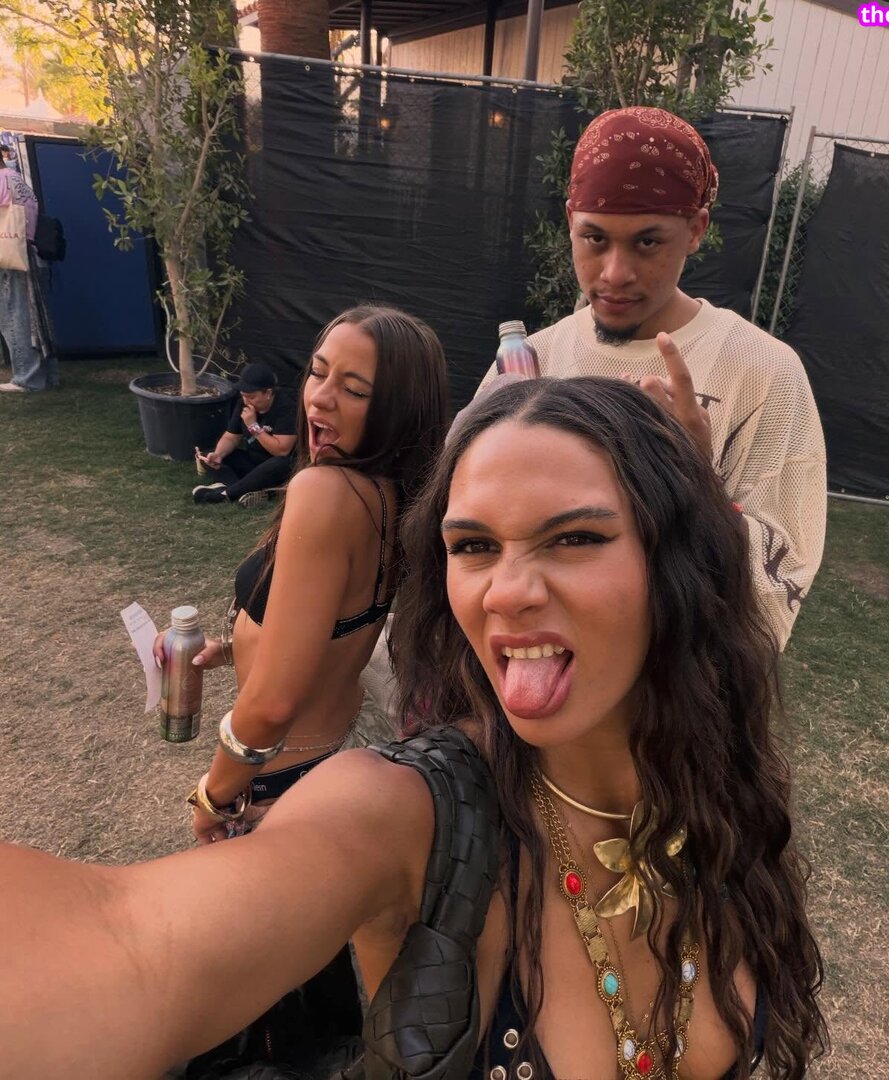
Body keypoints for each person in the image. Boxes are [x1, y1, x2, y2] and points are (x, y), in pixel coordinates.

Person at [1, 377, 826, 1079]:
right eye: (474, 546)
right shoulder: (407, 815)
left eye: (575, 537)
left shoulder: (724, 784)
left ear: (681, 561)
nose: (506, 592)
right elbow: (128, 946)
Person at [163, 304, 448, 1071]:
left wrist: (214, 794)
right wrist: (237, 645)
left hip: (275, 777)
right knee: (312, 985)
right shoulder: (392, 496)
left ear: (396, 408)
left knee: (252, 1010)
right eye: (319, 374)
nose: (319, 398)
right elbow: (326, 629)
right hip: (324, 765)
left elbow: (273, 703)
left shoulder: (327, 494)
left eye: (354, 388)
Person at [477, 106, 826, 651]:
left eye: (647, 243)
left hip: (676, 679)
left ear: (696, 230)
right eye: (595, 239)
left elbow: (783, 574)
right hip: (538, 661)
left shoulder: (761, 371)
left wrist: (696, 479)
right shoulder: (535, 359)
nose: (615, 273)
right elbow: (469, 526)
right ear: (570, 222)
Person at [193, 361, 298, 506]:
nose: (247, 401)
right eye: (243, 396)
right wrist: (218, 454)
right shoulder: (243, 403)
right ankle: (249, 489)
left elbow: (281, 451)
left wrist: (253, 427)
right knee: (209, 454)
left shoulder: (287, 408)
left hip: (277, 467)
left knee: (282, 463)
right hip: (253, 461)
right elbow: (231, 437)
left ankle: (226, 494)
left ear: (268, 393)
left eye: (252, 397)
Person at [0, 133, 56, 393]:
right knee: (37, 318)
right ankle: (48, 375)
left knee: (14, 314)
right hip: (29, 252)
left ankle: (26, 377)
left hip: (9, 256)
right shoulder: (17, 180)